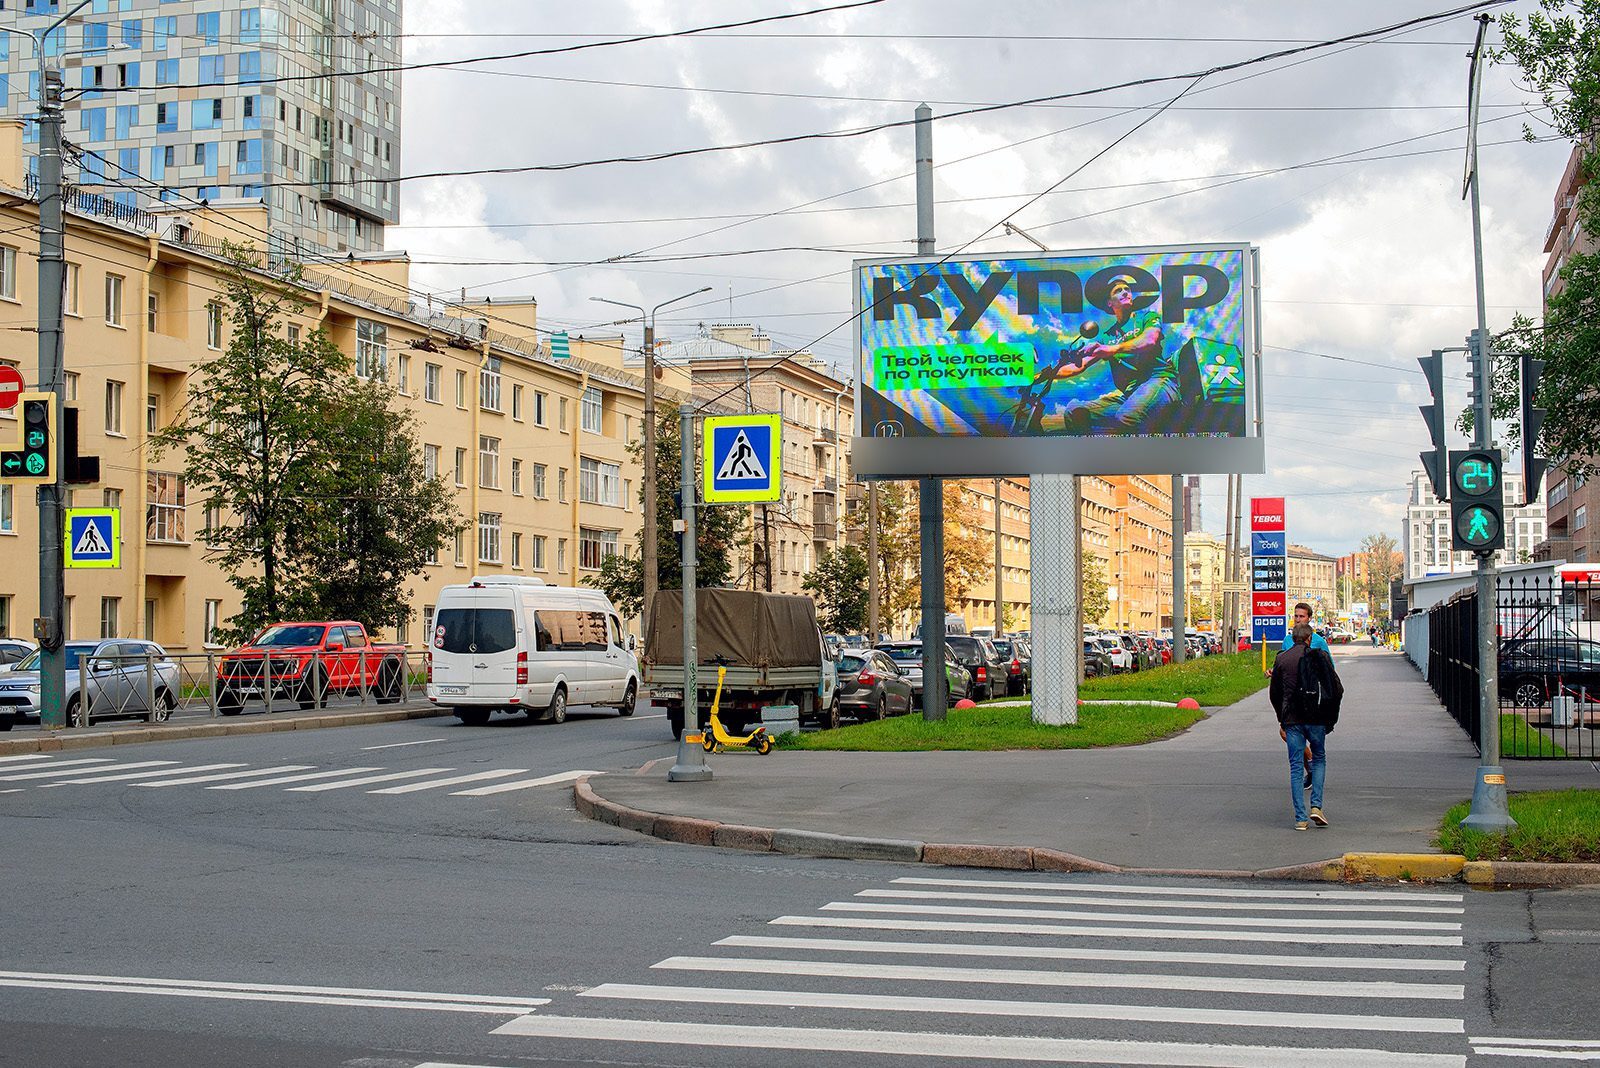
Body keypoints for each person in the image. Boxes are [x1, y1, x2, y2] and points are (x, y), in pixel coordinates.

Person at [1044, 275, 1180, 433]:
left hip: (1159, 381)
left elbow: (1149, 340)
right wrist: (1043, 376)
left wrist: (1111, 349)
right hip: (1130, 395)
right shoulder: (1107, 337)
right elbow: (1079, 366)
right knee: (1074, 411)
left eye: (1127, 289)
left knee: (1127, 416)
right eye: (1118, 291)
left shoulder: (1147, 317)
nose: (1125, 292)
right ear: (1110, 303)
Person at [1269, 622, 1343, 830]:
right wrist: (1330, 718)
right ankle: (1316, 806)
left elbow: (1275, 693)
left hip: (1292, 720)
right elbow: (1336, 689)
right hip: (1317, 718)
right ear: (1310, 639)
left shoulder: (1282, 659)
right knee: (1319, 758)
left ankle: (1300, 819)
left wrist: (1281, 718)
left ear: (1293, 639)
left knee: (1295, 767)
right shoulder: (1321, 657)